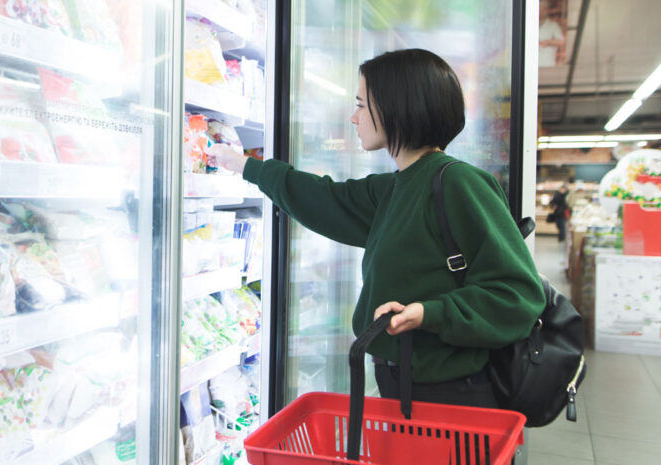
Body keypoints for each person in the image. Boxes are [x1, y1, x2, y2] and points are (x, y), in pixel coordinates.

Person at [207, 49, 546, 408]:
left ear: (397, 107)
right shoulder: (396, 187)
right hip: (402, 387)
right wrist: (245, 166)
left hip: (451, 396)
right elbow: (324, 199)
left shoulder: (458, 184)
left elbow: (518, 295)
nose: (354, 118)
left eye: (361, 105)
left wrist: (430, 313)